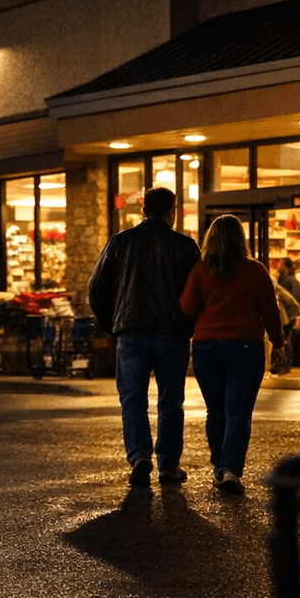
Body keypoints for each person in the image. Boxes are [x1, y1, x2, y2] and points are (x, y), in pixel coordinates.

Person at [87, 187, 201, 487]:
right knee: (171, 400)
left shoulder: (120, 242)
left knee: (133, 399)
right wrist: (189, 324)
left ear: (143, 210)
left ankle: (139, 456)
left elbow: (96, 288)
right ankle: (168, 464)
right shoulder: (185, 246)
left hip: (130, 331)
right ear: (172, 212)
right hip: (172, 333)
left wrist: (113, 324)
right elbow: (197, 293)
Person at [179, 215, 286, 495]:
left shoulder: (201, 270)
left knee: (215, 410)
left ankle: (219, 466)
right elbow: (270, 310)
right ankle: (231, 470)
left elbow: (187, 307)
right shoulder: (255, 270)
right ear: (241, 239)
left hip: (206, 346)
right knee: (239, 412)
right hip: (246, 346)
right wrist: (278, 343)